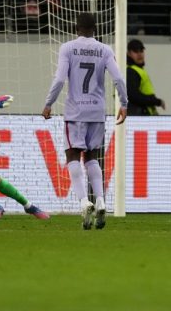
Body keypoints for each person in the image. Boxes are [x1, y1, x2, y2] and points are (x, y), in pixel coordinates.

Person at [42, 13, 128, 230]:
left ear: (75, 27)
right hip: (97, 111)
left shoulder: (67, 48)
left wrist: (49, 103)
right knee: (92, 157)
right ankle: (100, 200)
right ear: (95, 28)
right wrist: (124, 103)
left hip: (76, 111)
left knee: (72, 154)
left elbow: (60, 79)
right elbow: (118, 78)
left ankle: (83, 202)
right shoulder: (105, 49)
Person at [126, 39, 164, 116]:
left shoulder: (137, 70)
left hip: (138, 116)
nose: (139, 54)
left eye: (141, 51)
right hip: (136, 117)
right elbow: (133, 96)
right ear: (129, 54)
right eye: (136, 51)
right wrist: (156, 101)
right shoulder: (131, 72)